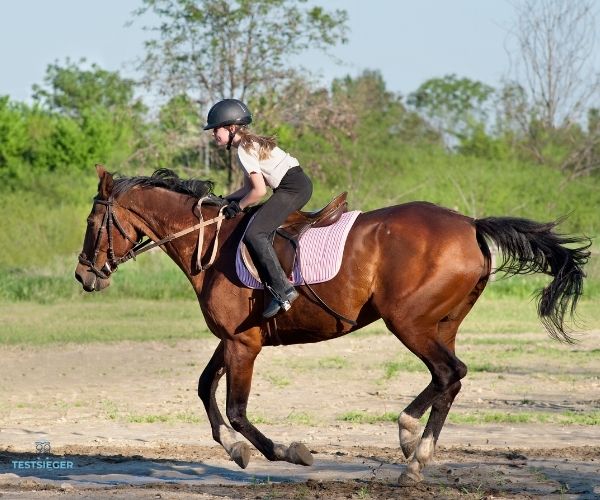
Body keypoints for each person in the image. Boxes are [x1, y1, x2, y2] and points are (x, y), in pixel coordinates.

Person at [204, 99, 313, 318]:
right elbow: (247, 188)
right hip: (295, 185)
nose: (214, 133)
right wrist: (225, 200)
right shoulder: (246, 144)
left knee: (255, 234)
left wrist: (238, 207)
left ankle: (283, 290)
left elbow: (259, 191)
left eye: (216, 128)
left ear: (231, 128)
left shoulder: (244, 149)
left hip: (292, 188)